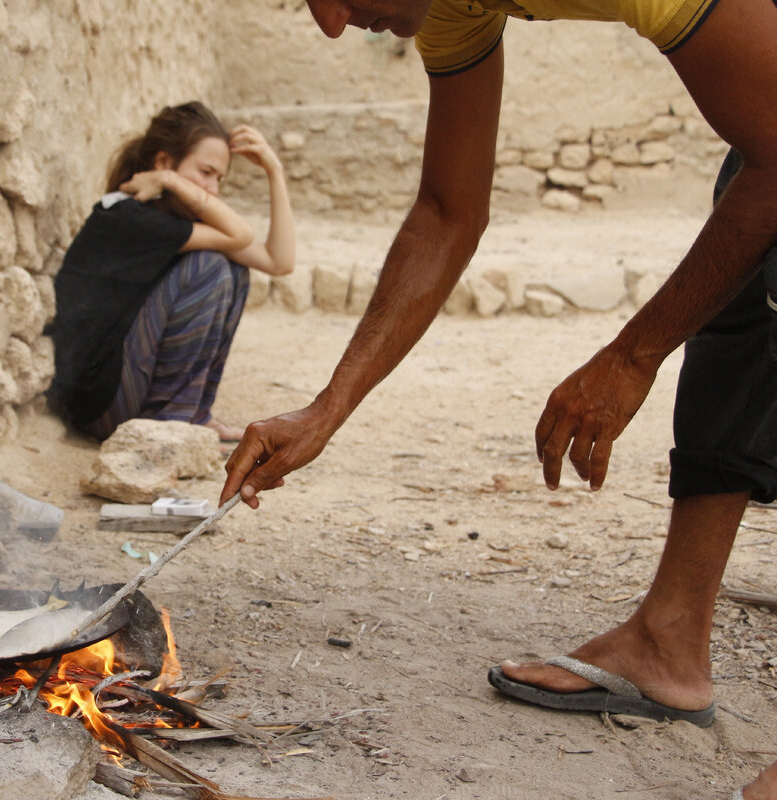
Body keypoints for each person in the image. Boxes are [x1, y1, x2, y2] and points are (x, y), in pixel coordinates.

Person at [219, 1, 777, 797]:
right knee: (741, 275)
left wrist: (631, 356)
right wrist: (326, 409)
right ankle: (669, 639)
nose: (332, 25)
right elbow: (448, 210)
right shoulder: (448, 9)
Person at [47, 101, 295, 442]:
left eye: (219, 179)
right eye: (205, 173)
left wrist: (274, 171)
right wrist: (168, 180)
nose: (213, 189)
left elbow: (279, 262)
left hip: (120, 392)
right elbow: (239, 234)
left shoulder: (177, 219)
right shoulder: (126, 215)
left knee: (234, 268)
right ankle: (172, 424)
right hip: (95, 403)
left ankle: (195, 415)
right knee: (208, 265)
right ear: (163, 162)